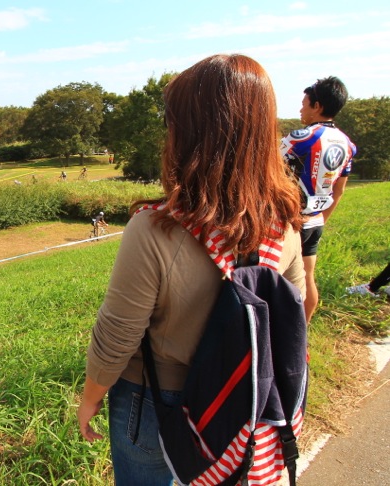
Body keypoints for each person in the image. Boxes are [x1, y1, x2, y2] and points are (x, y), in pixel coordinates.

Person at [76, 54, 306, 486]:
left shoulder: (154, 228)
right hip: (241, 401)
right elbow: (296, 312)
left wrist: (91, 396)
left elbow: (118, 333)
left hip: (157, 402)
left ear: (191, 134)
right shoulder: (285, 222)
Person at [280, 76, 356, 323]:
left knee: (279, 280)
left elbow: (266, 165)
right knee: (308, 277)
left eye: (304, 103)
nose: (301, 109)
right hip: (316, 221)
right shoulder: (347, 143)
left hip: (291, 222)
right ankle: (303, 336)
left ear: (318, 106)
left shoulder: (301, 137)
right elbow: (340, 191)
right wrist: (321, 219)